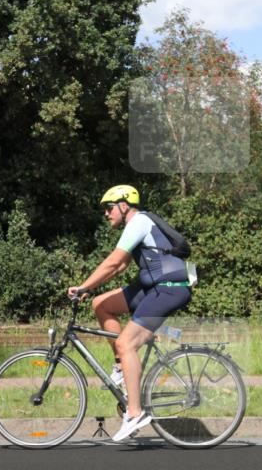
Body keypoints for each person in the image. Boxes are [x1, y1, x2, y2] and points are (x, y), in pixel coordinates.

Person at [67, 185, 192, 442]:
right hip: (152, 285)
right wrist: (91, 291)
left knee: (126, 343)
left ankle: (134, 413)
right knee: (102, 305)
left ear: (125, 206)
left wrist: (83, 286)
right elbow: (120, 266)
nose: (106, 213)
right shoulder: (133, 227)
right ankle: (121, 366)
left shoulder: (140, 222)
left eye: (109, 208)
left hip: (168, 289)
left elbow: (113, 261)